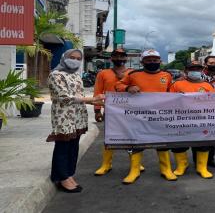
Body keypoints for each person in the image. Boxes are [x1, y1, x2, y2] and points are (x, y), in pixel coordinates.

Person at [47, 49, 104, 193]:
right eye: (72, 57)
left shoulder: (77, 76)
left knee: (73, 147)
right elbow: (64, 97)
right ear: (64, 58)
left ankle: (69, 174)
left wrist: (98, 103)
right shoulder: (55, 75)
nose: (75, 60)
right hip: (63, 116)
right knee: (63, 147)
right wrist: (93, 99)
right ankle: (60, 176)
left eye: (78, 58)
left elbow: (80, 97)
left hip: (78, 116)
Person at [115, 49, 177, 183]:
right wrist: (127, 88)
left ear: (160, 61)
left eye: (155, 60)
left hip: (160, 116)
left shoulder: (167, 75)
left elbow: (172, 92)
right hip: (138, 116)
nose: (152, 62)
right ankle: (134, 170)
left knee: (163, 144)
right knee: (136, 143)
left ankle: (166, 170)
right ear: (142, 62)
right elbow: (118, 85)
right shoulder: (133, 74)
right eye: (148, 60)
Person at [93, 49, 146, 177]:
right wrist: (97, 110)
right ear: (111, 58)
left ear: (126, 58)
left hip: (130, 111)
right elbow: (98, 91)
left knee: (132, 137)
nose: (119, 58)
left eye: (122, 56)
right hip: (111, 110)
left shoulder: (133, 73)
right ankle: (106, 164)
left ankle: (136, 164)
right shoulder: (103, 73)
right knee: (109, 137)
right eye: (116, 56)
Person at [169, 61, 215, 179]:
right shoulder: (177, 84)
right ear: (186, 70)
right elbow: (169, 101)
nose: (195, 71)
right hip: (181, 120)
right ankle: (182, 165)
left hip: (202, 120)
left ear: (202, 71)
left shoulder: (207, 86)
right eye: (192, 68)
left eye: (198, 69)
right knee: (179, 144)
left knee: (203, 144)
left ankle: (202, 167)